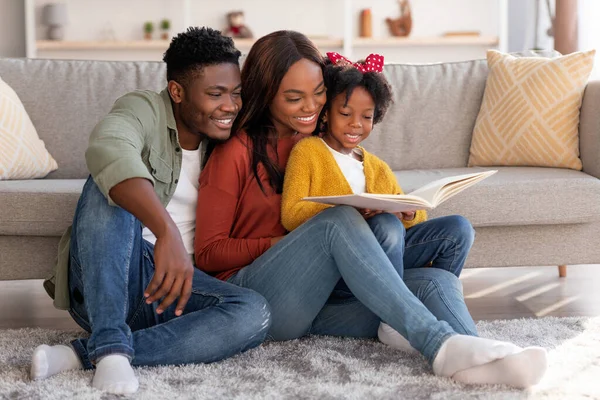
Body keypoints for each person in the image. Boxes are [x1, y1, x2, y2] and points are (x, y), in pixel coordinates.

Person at [195, 30, 547, 388]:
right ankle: (436, 344)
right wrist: (285, 244)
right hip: (263, 300)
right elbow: (207, 255)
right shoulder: (234, 154)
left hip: (325, 299)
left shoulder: (317, 143)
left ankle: (488, 357)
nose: (311, 107)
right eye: (294, 98)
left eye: (319, 93)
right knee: (338, 221)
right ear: (265, 94)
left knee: (436, 281)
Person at [30, 27, 271, 395]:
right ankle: (109, 341)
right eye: (215, 94)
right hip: (112, 281)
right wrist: (166, 232)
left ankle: (84, 355)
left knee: (254, 312)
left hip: (175, 292)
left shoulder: (231, 139)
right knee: (107, 185)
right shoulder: (142, 108)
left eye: (235, 94)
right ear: (177, 91)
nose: (230, 106)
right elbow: (109, 147)